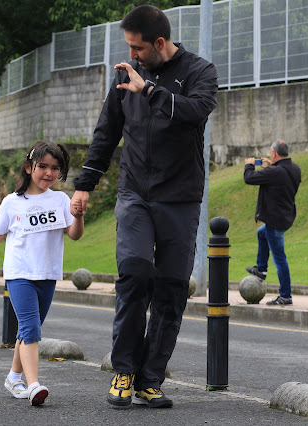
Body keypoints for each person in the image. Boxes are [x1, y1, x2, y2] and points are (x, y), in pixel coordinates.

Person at [71, 5, 217, 409]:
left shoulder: (200, 71)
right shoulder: (123, 75)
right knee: (134, 272)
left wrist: (150, 91)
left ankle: (150, 378)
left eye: (138, 48)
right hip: (135, 193)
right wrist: (84, 186)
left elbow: (196, 112)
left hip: (180, 198)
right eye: (129, 48)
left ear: (158, 43)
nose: (132, 56)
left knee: (171, 289)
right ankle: (123, 369)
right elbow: (106, 134)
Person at [0, 140, 84, 406]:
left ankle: (14, 377)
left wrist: (78, 216)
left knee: (30, 329)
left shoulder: (60, 200)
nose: (48, 173)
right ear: (29, 167)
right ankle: (33, 385)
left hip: (48, 275)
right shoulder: (12, 202)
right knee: (30, 328)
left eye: (55, 168)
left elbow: (73, 235)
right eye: (42, 166)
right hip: (19, 274)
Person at [243, 140, 302, 306]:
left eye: (271, 153)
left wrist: (249, 165)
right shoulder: (294, 169)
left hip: (275, 220)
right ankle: (261, 269)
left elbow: (249, 178)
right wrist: (270, 168)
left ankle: (285, 296)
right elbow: (279, 180)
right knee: (261, 233)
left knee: (280, 259)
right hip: (285, 217)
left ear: (274, 154)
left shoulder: (276, 172)